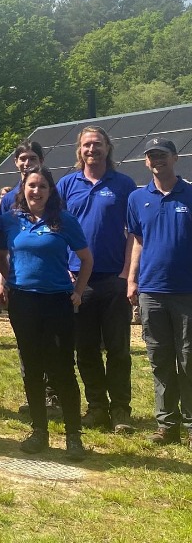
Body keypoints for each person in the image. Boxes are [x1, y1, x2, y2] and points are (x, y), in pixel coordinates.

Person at [0, 168, 92, 461]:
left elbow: (86, 259)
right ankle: (39, 431)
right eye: (31, 186)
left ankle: (73, 435)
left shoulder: (64, 221)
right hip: (23, 302)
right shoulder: (11, 220)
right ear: (23, 190)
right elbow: (0, 254)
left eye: (42, 187)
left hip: (58, 302)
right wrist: (8, 279)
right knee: (32, 367)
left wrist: (78, 290)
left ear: (51, 192)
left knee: (62, 368)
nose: (36, 192)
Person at [57, 126, 137, 433]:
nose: (92, 149)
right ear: (79, 150)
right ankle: (97, 408)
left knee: (118, 350)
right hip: (78, 281)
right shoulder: (66, 185)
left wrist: (126, 274)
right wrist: (65, 267)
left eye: (98, 144)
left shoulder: (124, 185)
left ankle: (121, 412)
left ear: (108, 148)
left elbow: (134, 234)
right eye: (87, 144)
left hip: (113, 280)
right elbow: (57, 229)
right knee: (85, 348)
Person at [127, 137, 192, 449]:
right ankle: (167, 425)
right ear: (146, 162)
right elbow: (138, 241)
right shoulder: (138, 199)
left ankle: (191, 425)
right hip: (151, 290)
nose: (157, 160)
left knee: (188, 360)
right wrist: (132, 279)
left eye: (162, 155)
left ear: (175, 158)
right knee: (159, 360)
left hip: (187, 292)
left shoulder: (190, 193)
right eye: (151, 156)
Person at [0, 141, 44, 214]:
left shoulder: (51, 195)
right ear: (16, 162)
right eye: (23, 159)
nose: (27, 163)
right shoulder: (8, 199)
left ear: (41, 161)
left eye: (32, 159)